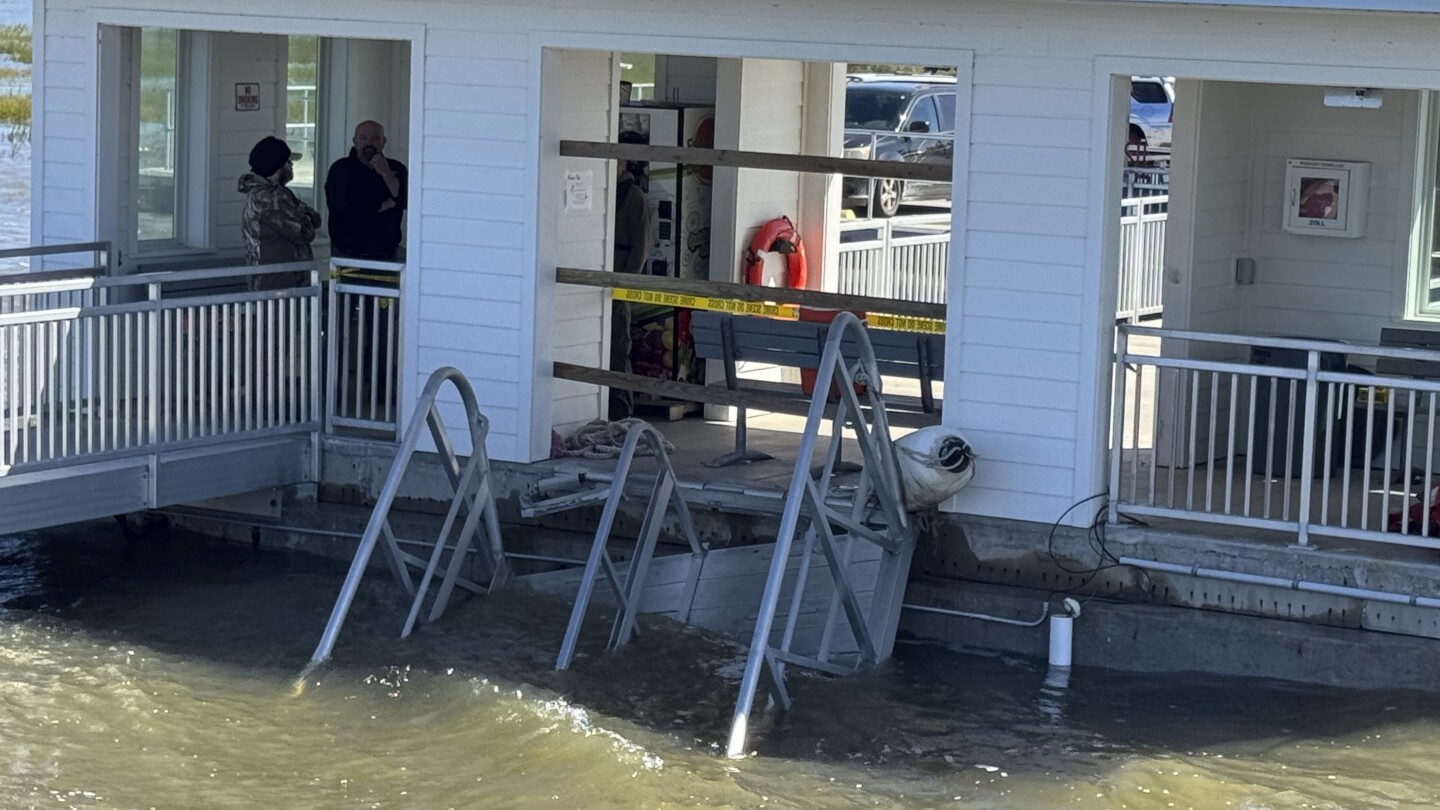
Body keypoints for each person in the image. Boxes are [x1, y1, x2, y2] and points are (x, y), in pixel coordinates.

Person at [238, 135, 321, 289]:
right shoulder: (272, 198)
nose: (292, 166)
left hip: (269, 278)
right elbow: (304, 232)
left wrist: (304, 213)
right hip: (280, 283)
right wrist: (305, 214)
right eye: (289, 162)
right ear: (279, 166)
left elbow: (314, 219)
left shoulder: (257, 193)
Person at [609, 134, 651, 420]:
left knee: (617, 349)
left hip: (619, 282)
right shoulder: (603, 192)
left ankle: (622, 413)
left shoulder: (633, 197)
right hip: (598, 278)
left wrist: (626, 284)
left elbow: (641, 246)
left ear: (623, 164)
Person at [325, 121, 408, 260]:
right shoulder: (341, 169)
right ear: (355, 141)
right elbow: (347, 209)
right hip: (346, 253)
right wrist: (386, 204)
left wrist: (386, 173)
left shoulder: (397, 168)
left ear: (383, 142)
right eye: (364, 138)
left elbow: (405, 201)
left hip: (387, 254)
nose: (370, 143)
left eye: (375, 138)